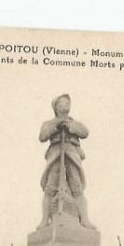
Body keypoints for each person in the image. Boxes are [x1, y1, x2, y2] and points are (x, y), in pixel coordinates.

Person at [38, 94, 95, 229]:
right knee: (50, 187)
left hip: (72, 153)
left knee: (77, 187)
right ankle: (45, 220)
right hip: (56, 153)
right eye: (63, 102)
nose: (67, 104)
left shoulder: (75, 122)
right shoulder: (48, 123)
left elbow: (85, 132)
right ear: (56, 107)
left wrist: (70, 126)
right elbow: (42, 136)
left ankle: (84, 219)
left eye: (68, 102)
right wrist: (57, 125)